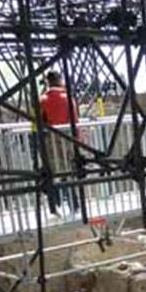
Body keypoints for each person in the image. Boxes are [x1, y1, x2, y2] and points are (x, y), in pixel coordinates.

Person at [38, 70, 80, 214]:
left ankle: (55, 206)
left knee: (52, 173)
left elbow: (40, 122)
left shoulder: (43, 100)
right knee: (68, 172)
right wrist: (77, 140)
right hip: (67, 139)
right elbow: (74, 121)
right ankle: (74, 206)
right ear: (60, 80)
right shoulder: (67, 98)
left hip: (50, 141)